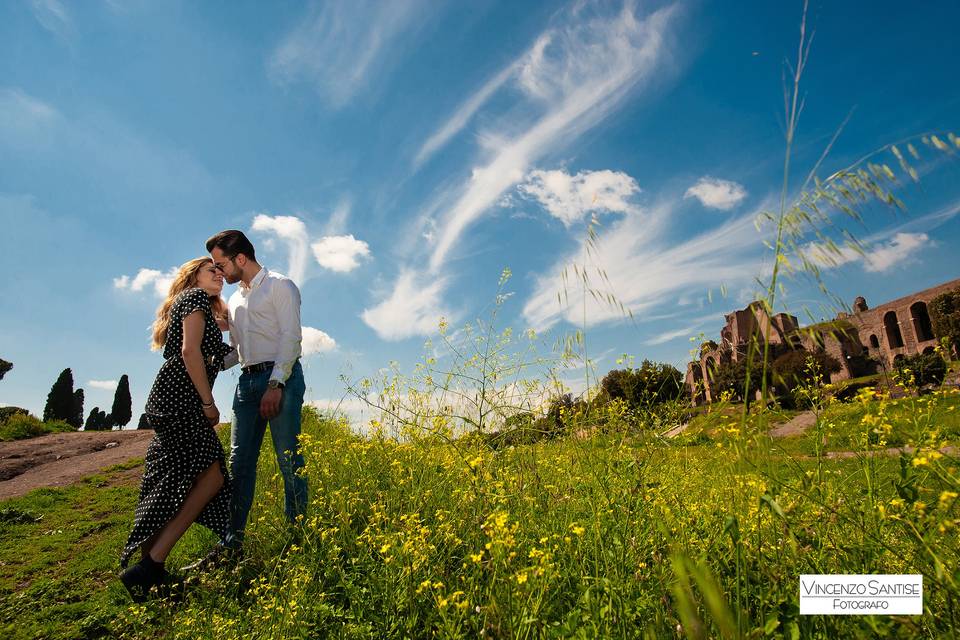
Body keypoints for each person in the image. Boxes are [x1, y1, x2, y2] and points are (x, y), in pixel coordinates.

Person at [119, 258, 234, 601]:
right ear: (193, 276)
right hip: (182, 399)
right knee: (211, 477)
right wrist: (208, 402)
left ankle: (148, 569)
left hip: (171, 398)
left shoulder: (195, 305)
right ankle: (151, 564)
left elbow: (226, 332)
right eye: (211, 270)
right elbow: (189, 351)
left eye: (221, 271)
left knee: (171, 478)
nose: (219, 275)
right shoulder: (195, 298)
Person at [193, 229, 306, 566]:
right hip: (247, 384)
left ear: (240, 258)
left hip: (281, 380)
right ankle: (230, 546)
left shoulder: (280, 286)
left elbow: (291, 338)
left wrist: (275, 384)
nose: (218, 271)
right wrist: (205, 365)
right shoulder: (237, 300)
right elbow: (238, 352)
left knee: (289, 462)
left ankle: (297, 542)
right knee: (239, 465)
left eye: (220, 263)